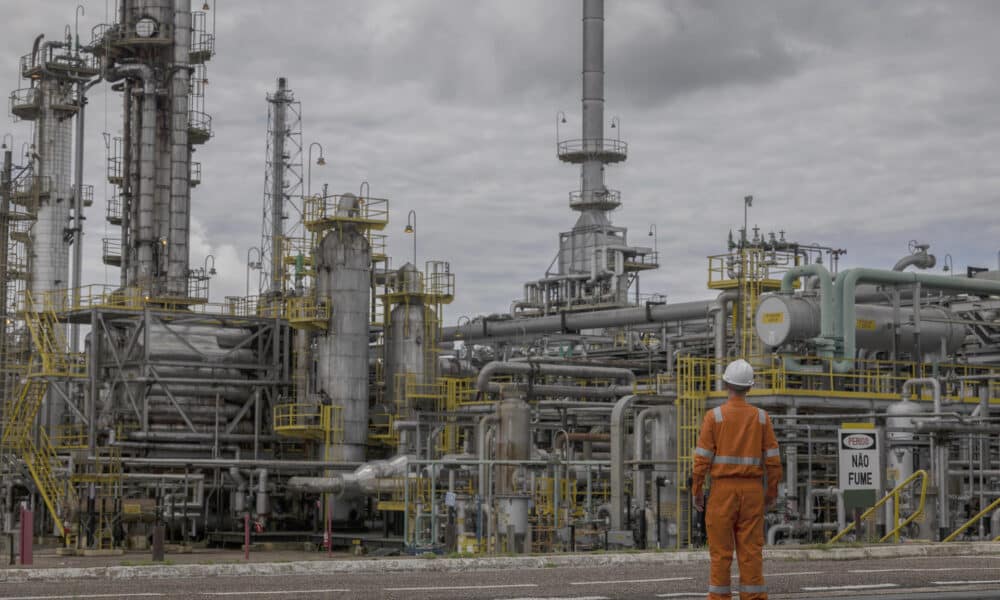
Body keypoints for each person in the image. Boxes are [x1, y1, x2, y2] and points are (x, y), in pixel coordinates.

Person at [691, 359, 782, 600]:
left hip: (722, 492)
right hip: (752, 493)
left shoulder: (714, 417)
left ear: (726, 384)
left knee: (720, 554)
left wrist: (697, 489)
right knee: (751, 553)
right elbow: (773, 461)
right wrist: (771, 492)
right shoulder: (762, 418)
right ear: (749, 388)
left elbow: (701, 460)